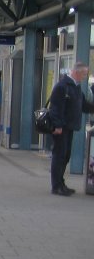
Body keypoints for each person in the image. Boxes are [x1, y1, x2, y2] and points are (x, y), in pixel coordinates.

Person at [47, 62, 94, 196]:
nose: (84, 77)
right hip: (61, 127)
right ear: (76, 72)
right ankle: (56, 186)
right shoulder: (62, 86)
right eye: (84, 74)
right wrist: (57, 125)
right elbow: (55, 108)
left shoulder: (76, 87)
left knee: (66, 156)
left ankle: (61, 183)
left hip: (70, 127)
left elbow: (83, 105)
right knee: (59, 155)